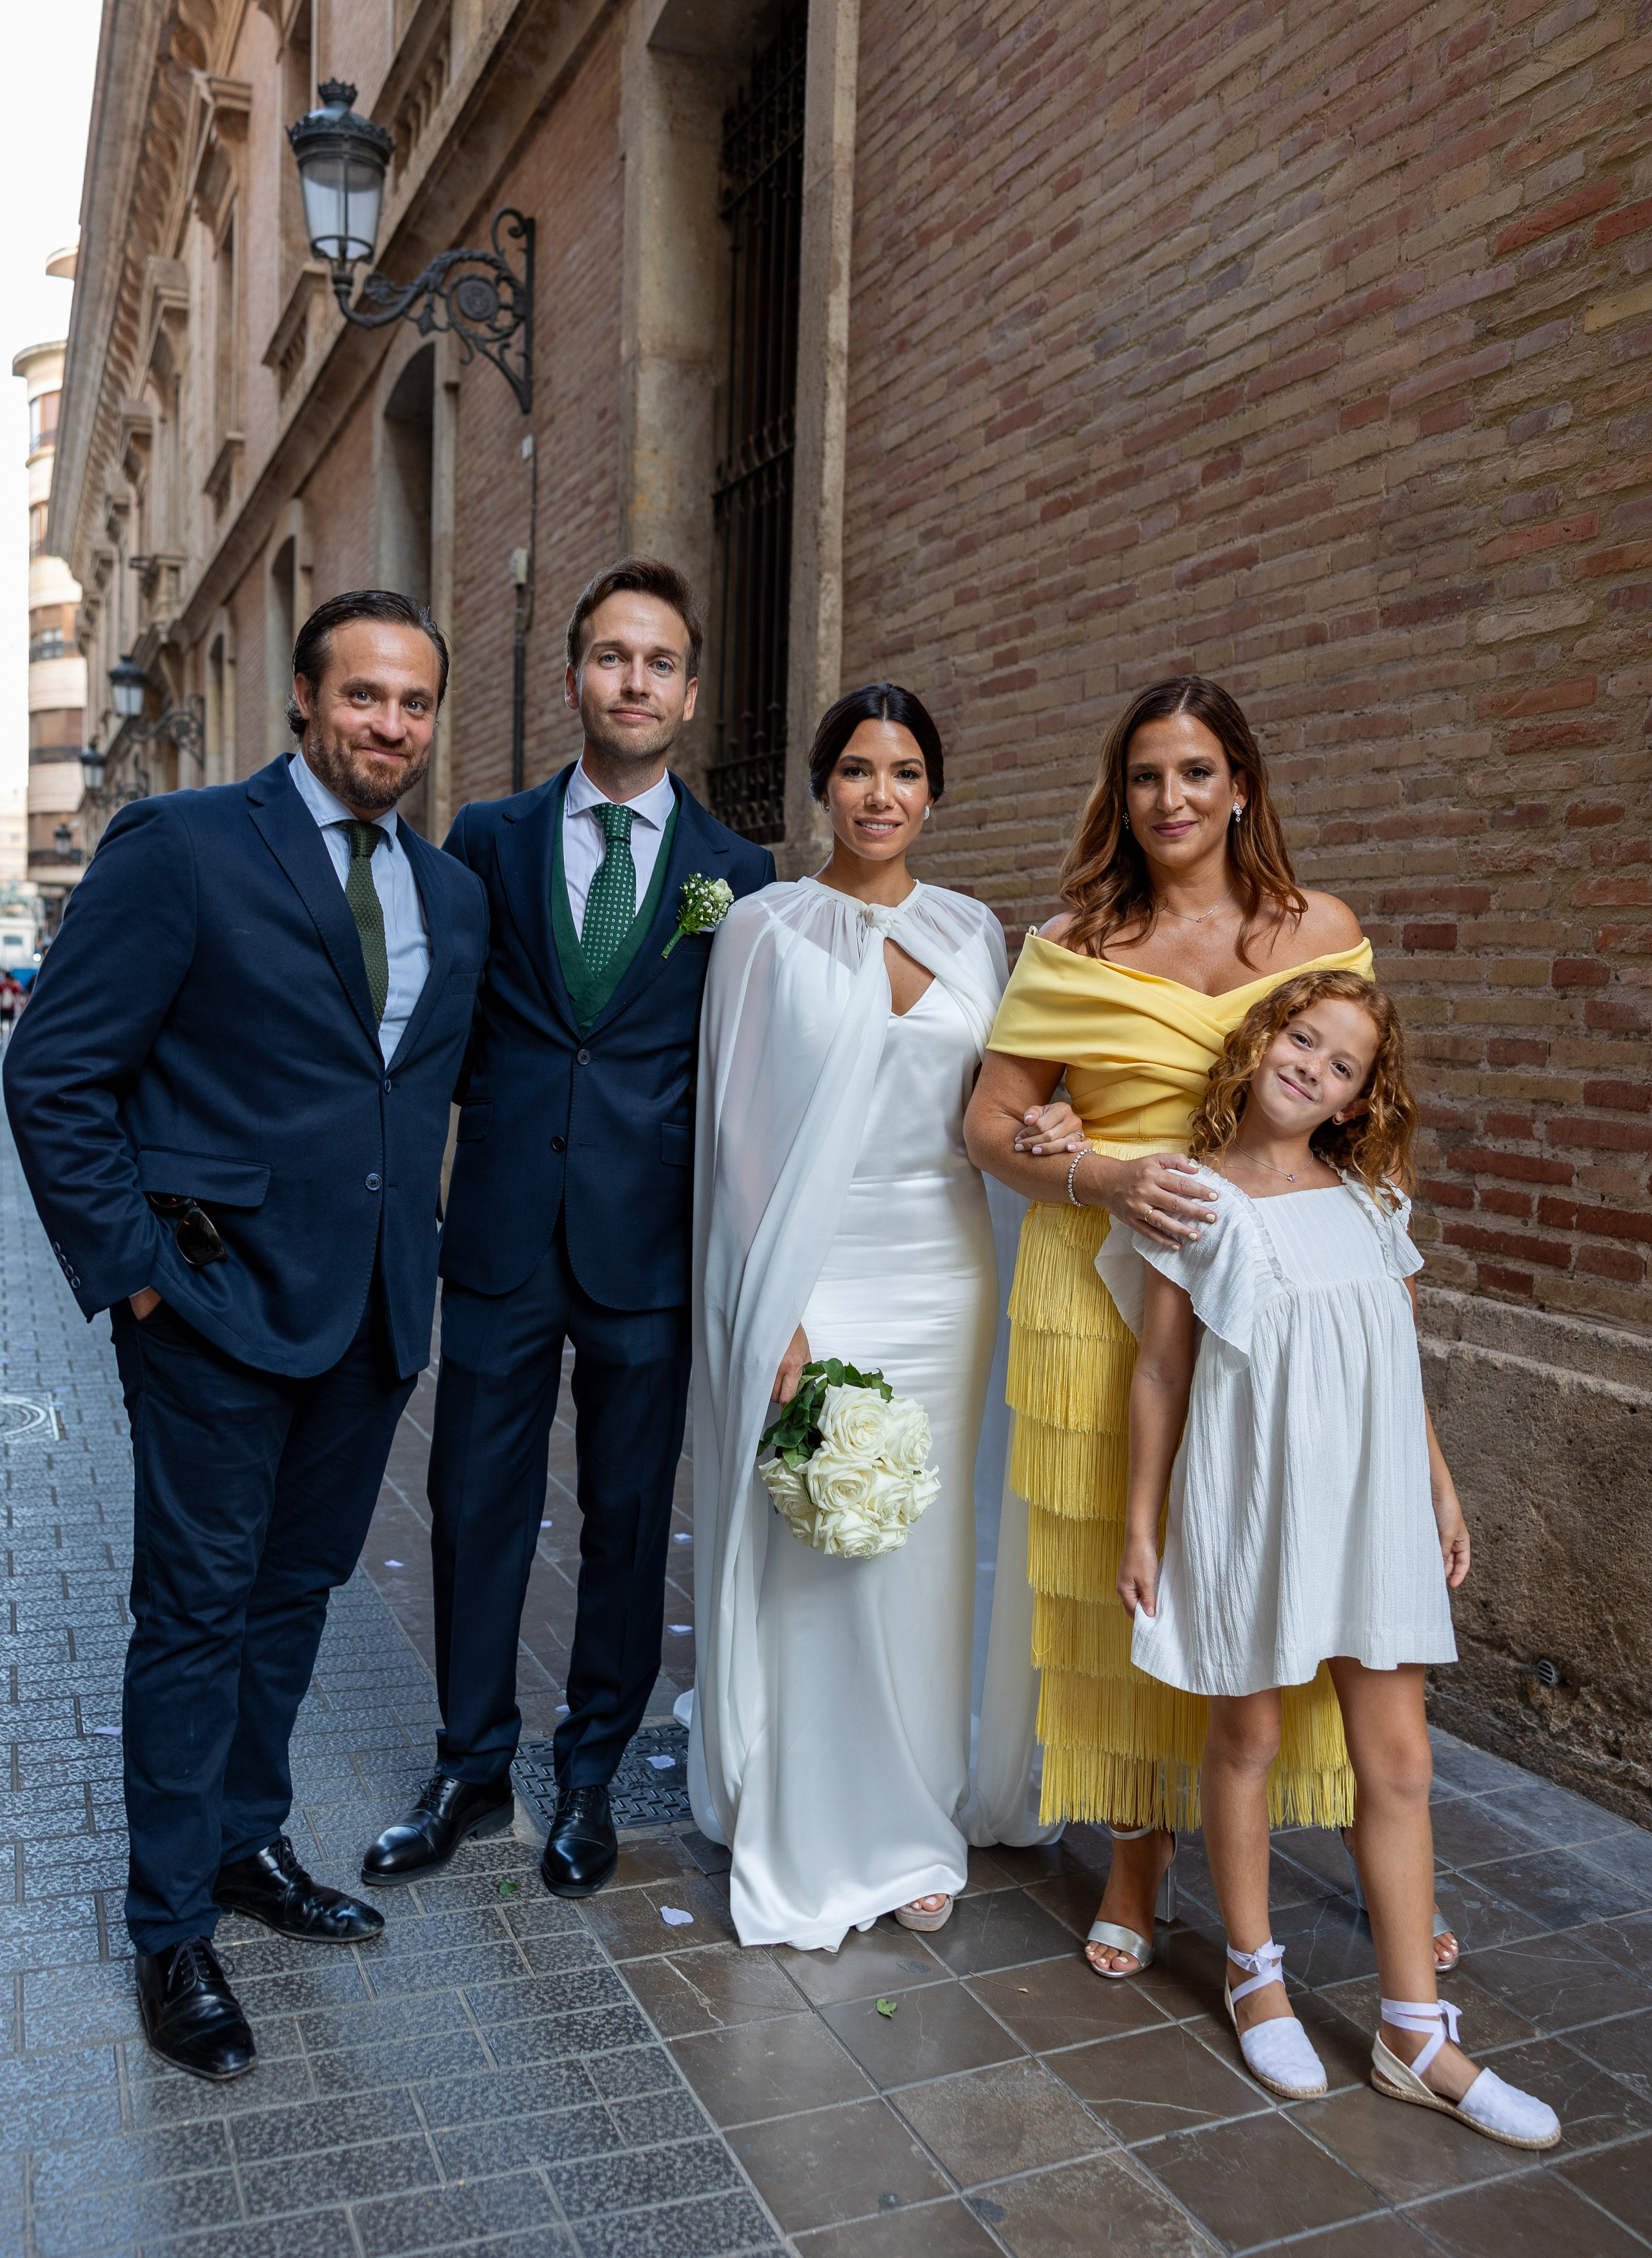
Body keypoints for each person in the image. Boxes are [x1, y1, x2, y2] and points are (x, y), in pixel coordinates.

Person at [4, 590, 489, 2082]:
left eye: (412, 703)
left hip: (370, 1316)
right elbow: (56, 1071)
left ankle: (239, 1846)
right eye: (363, 697)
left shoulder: (451, 896)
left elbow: (405, 1100)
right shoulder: (189, 847)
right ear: (303, 694)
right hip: (211, 1313)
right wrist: (139, 1272)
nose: (389, 726)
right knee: (198, 1612)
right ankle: (168, 1929)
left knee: (295, 1596)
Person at [964, 676, 1460, 1981]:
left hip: (1284, 1302)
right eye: (1143, 776)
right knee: (1124, 1586)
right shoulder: (1073, 942)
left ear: (1240, 783)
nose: (1169, 799)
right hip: (1101, 1291)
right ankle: (1137, 1856)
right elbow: (987, 1122)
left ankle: (1380, 1859)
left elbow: (1360, 1101)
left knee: (1299, 1558)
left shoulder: (1322, 928)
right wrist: (1080, 1167)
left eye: (1194, 772)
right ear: (1116, 795)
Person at [361, 559, 772, 1901]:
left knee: (627, 1511)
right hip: (497, 1226)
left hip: (647, 1240)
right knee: (472, 1499)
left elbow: (739, 1071)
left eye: (658, 662)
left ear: (691, 693)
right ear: (573, 677)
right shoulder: (487, 836)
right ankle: (471, 1762)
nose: (633, 682)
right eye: (610, 657)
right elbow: (444, 1030)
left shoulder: (736, 872)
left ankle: (586, 1771)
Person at [1102, 971, 1559, 2150]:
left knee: (1398, 1761)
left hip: (1373, 1511)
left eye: (1342, 1063)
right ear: (1261, 1042)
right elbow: (1161, 1373)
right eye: (1301, 1039)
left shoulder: (1372, 1205)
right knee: (1248, 1735)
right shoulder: (1193, 1199)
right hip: (1255, 1501)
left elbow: (1394, 1371)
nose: (1312, 1066)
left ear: (1358, 1101)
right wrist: (1142, 1523)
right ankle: (1253, 1974)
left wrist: (1442, 1491)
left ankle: (1416, 2033)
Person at [689, 683, 1014, 1947]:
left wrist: (1043, 1130)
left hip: (948, 1270)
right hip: (814, 1271)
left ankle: (920, 1800)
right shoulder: (763, 930)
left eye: (907, 773)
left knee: (926, 1548)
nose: (881, 794)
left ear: (934, 792)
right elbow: (735, 1133)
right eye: (858, 770)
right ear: (819, 786)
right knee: (823, 1544)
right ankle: (830, 1823)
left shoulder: (977, 931)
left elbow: (995, 1101)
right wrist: (769, 1309)